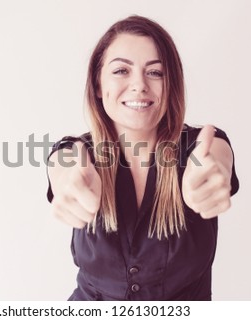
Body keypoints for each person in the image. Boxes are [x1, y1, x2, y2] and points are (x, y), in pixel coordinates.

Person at [46, 15, 239, 301]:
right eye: (122, 71)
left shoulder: (203, 147)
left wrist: (214, 175)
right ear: (98, 85)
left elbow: (217, 160)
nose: (139, 85)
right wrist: (68, 183)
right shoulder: (76, 153)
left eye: (155, 72)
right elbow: (63, 168)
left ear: (170, 83)